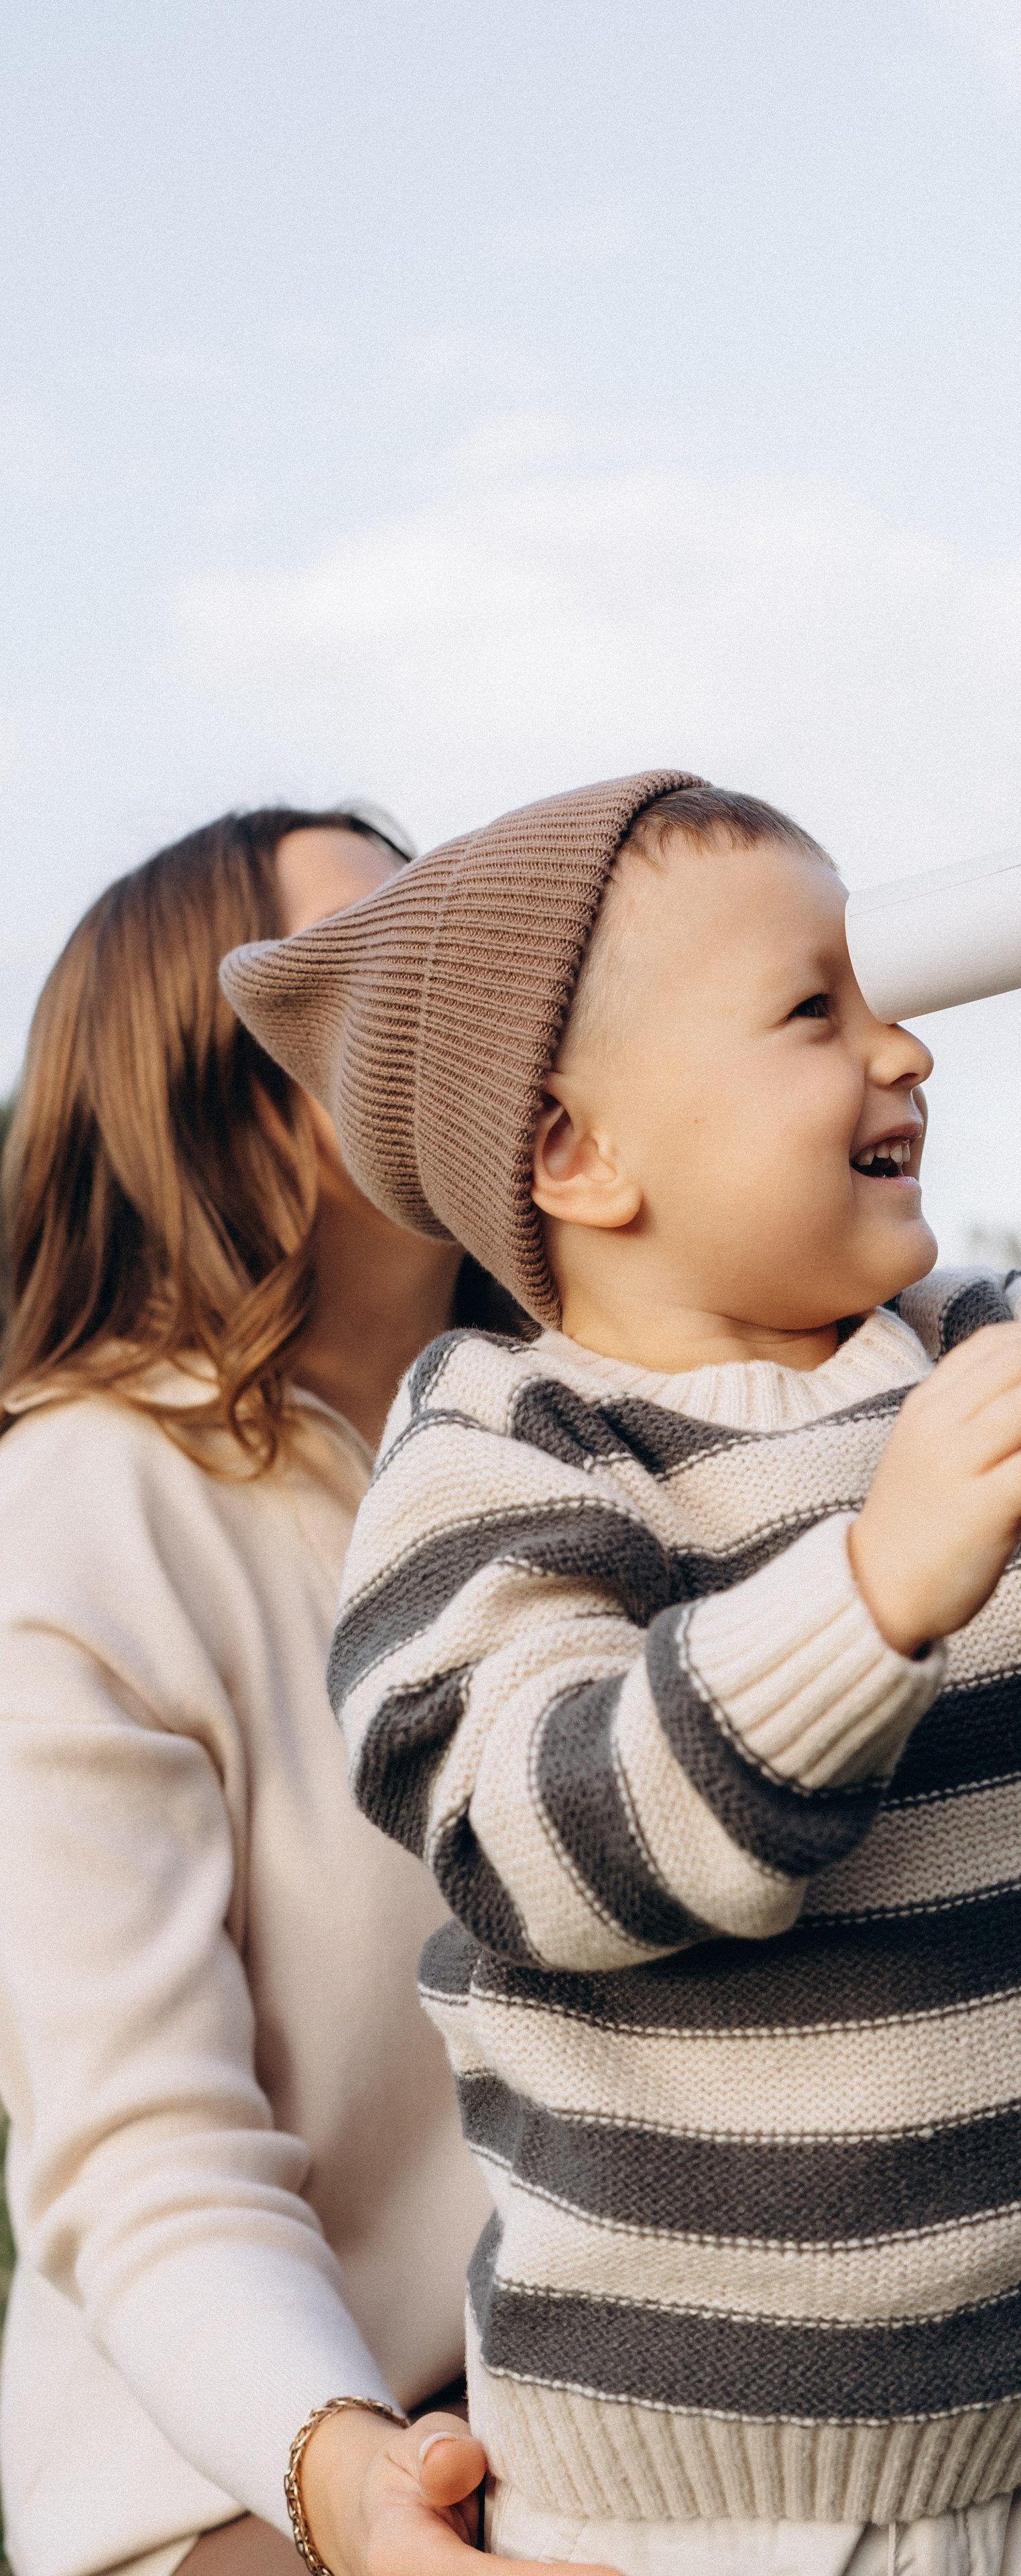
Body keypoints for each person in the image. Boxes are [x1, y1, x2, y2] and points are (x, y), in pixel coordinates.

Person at [222, 773, 1021, 2576]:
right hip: (695, 2487)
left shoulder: (962, 1352)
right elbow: (535, 1838)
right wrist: (870, 1593)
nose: (907, 1049)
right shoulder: (508, 1445)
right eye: (815, 1008)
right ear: (577, 1153)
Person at [0, 809, 518, 2576]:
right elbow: (148, 2152)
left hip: (597, 2389)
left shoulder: (579, 1425)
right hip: (255, 2467)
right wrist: (350, 2482)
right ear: (207, 1082)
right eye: (387, 958)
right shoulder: (80, 1512)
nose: (472, 996)